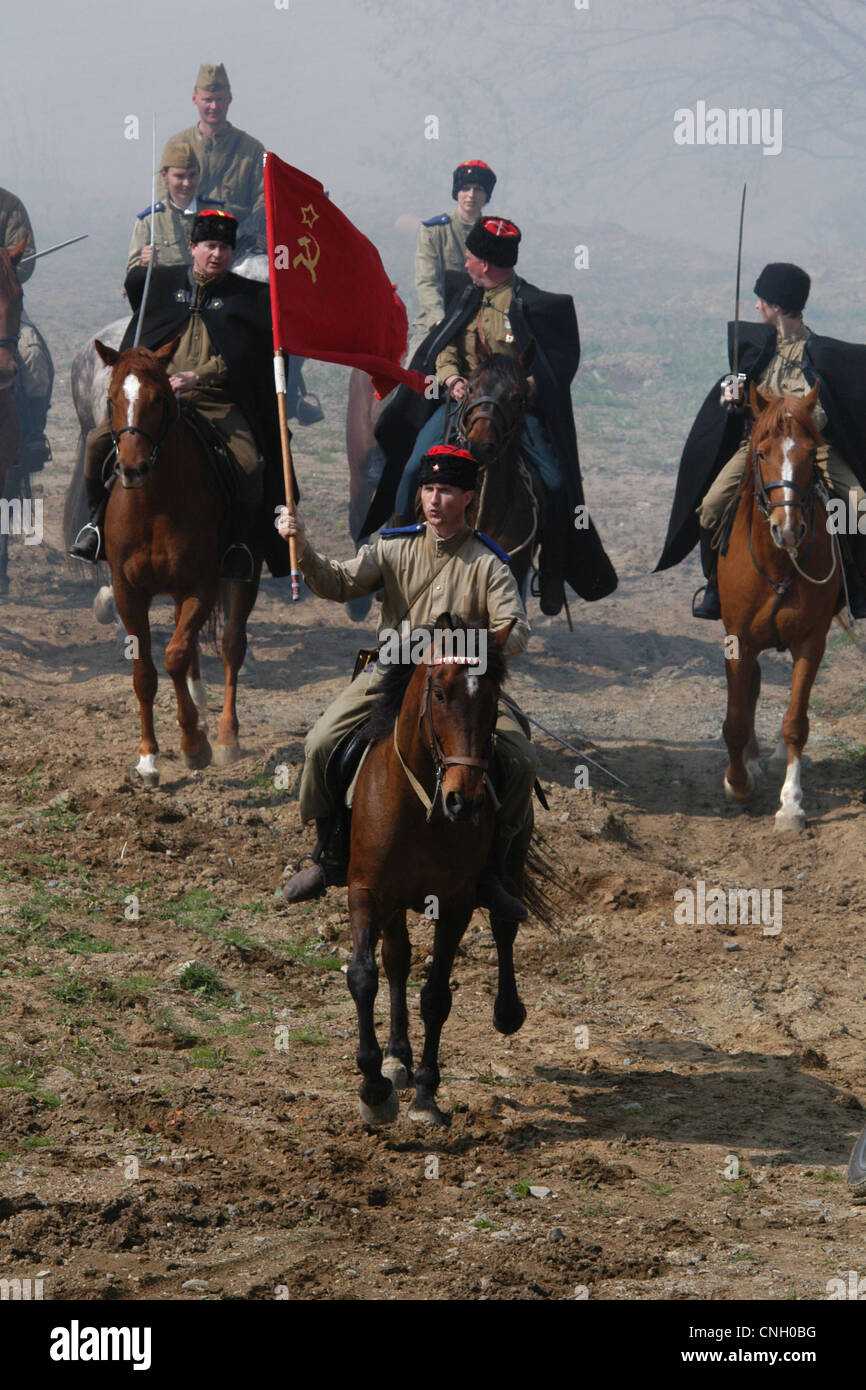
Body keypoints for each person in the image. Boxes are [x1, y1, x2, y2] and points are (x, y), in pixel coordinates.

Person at [276, 443, 537, 917]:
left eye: (446, 491)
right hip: (389, 675)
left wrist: (466, 650)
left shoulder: (488, 563)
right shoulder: (393, 547)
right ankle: (328, 854)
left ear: (469, 498)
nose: (435, 500)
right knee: (319, 744)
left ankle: (496, 870)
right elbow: (339, 583)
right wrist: (303, 546)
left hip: (461, 689)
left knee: (521, 760)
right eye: (428, 489)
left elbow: (516, 631)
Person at [365, 215, 617, 615]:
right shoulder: (464, 294)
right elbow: (444, 347)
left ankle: (550, 576)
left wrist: (526, 386)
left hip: (513, 411)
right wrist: (451, 381)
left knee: (554, 484)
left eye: (471, 257)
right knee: (413, 468)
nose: (465, 263)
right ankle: (396, 558)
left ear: (486, 262)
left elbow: (557, 365)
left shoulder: (532, 305)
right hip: (463, 403)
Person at [70, 210, 278, 581]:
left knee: (249, 464)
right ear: (194, 247)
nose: (217, 255)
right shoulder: (165, 284)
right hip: (159, 400)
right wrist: (142, 263)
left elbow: (246, 358)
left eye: (225, 248)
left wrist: (199, 376)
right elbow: (135, 286)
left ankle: (239, 545)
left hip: (216, 401)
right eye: (210, 246)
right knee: (96, 443)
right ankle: (96, 526)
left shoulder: (248, 298)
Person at [656, 262, 866, 619]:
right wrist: (731, 398)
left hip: (814, 449)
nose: (757, 307)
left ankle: (856, 586)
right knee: (710, 507)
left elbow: (824, 410)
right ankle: (715, 587)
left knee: (859, 509)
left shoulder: (820, 355)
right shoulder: (755, 351)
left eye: (762, 301)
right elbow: (736, 397)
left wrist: (792, 424)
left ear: (778, 307)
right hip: (759, 448)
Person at [168, 63, 265, 245]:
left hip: (238, 244)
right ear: (194, 99)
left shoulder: (252, 150)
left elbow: (263, 200)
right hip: (188, 243)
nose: (214, 106)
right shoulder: (177, 145)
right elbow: (165, 200)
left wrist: (243, 234)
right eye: (207, 100)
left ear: (229, 98)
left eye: (219, 99)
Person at [413, 159, 496, 343]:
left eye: (479, 189)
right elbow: (427, 281)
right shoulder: (434, 230)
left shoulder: (495, 235)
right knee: (414, 366)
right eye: (466, 188)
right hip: (438, 319)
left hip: (483, 322)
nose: (471, 195)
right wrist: (438, 318)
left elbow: (500, 283)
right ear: (457, 192)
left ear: (486, 195)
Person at [0, 187, 53, 470]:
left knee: (33, 355)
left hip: (4, 302)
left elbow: (27, 258)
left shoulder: (10, 205)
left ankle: (33, 434)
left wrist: (4, 267)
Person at [126, 140, 226, 273]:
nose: (187, 183)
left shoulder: (217, 214)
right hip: (165, 291)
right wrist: (144, 264)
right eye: (179, 176)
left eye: (192, 175)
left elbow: (235, 259)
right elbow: (132, 276)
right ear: (164, 175)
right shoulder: (150, 221)